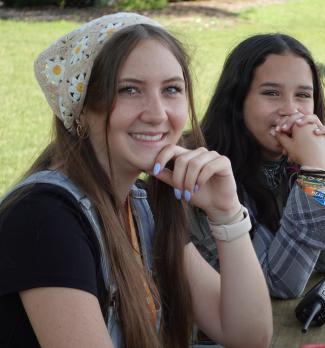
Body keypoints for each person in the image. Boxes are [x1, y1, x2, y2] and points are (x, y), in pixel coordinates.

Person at [0, 13, 272, 348]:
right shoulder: (44, 218)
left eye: (171, 89)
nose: (157, 113)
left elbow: (248, 335)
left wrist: (227, 213)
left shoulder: (141, 204)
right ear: (82, 109)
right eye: (130, 90)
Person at [191, 33, 325, 299]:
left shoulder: (292, 161)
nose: (290, 109)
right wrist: (316, 177)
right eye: (272, 93)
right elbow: (277, 283)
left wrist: (320, 171)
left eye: (303, 95)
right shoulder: (207, 173)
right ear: (238, 101)